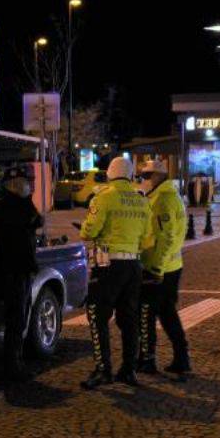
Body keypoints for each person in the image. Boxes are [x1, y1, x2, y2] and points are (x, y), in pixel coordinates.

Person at [79, 157, 152, 389]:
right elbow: (148, 237)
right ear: (130, 176)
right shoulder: (141, 200)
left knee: (96, 315)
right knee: (128, 319)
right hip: (133, 266)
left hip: (108, 265)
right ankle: (129, 370)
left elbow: (89, 231)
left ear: (110, 174)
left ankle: (103, 370)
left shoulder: (104, 197)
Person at [137, 159, 191, 375]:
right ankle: (182, 358)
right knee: (167, 314)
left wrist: (156, 269)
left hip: (159, 268)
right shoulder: (171, 195)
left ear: (159, 176)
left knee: (147, 313)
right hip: (172, 265)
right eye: (143, 176)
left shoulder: (162, 200)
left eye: (147, 176)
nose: (144, 180)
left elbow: (167, 237)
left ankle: (147, 360)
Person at [0, 165, 43, 381]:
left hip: (12, 267)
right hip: (15, 269)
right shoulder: (16, 205)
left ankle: (14, 362)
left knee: (16, 318)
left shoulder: (1, 204)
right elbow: (36, 221)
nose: (28, 186)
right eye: (25, 182)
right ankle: (13, 366)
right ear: (16, 184)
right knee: (17, 319)